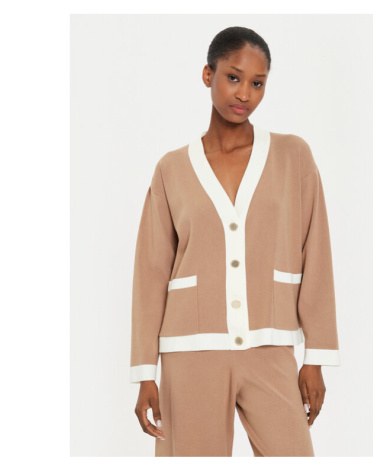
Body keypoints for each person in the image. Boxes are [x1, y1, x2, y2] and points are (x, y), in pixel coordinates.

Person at [129, 26, 340, 457]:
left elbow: (316, 253)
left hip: (271, 346)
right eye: (233, 77)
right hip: (190, 351)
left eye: (257, 83)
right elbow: (150, 273)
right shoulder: (171, 169)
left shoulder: (293, 156)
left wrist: (315, 357)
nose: (244, 93)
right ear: (208, 75)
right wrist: (145, 371)